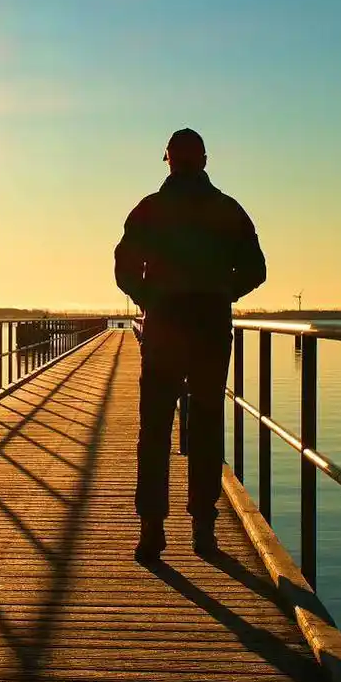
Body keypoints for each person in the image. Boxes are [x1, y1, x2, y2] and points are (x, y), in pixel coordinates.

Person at [114, 128, 267, 563]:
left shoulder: (150, 209)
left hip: (163, 329)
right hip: (210, 329)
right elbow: (256, 269)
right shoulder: (227, 210)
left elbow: (123, 268)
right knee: (205, 425)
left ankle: (151, 531)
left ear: (167, 161)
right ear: (204, 161)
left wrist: (150, 299)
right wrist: (222, 293)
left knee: (155, 428)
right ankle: (203, 528)